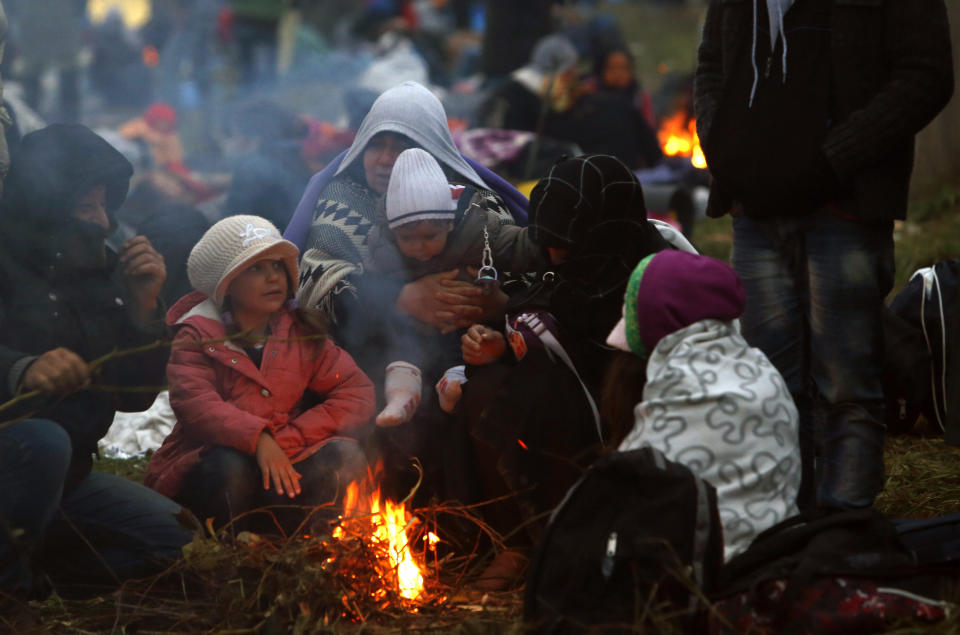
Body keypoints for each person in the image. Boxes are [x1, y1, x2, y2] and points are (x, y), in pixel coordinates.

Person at [694, 0, 954, 509]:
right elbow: (711, 65)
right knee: (768, 385)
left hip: (845, 207)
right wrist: (723, 149)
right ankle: (785, 530)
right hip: (755, 209)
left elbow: (927, 75)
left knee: (846, 386)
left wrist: (834, 159)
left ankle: (844, 536)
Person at [450, 155, 683, 590]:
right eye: (549, 242)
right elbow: (552, 320)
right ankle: (519, 542)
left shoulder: (665, 283)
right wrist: (501, 342)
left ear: (605, 232)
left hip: (640, 441)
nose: (554, 255)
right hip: (571, 425)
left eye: (565, 244)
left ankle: (592, 546)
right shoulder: (563, 269)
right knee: (488, 388)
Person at [0, 124, 190, 597]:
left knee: (177, 541)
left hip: (68, 480)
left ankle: (36, 562)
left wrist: (145, 308)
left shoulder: (100, 271)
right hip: (16, 455)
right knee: (44, 441)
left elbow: (134, 396)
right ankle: (10, 594)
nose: (104, 222)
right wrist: (20, 369)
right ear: (49, 208)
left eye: (105, 206)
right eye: (88, 206)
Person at [145, 215, 375, 535]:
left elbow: (356, 392)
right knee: (232, 468)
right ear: (225, 283)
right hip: (210, 466)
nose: (272, 278)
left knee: (344, 455)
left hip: (282, 459)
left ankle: (300, 553)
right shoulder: (197, 335)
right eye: (256, 268)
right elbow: (196, 404)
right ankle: (225, 557)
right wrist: (259, 439)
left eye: (277, 266)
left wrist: (287, 439)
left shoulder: (300, 332)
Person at [606, 250, 801, 560]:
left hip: (698, 577)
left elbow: (625, 499)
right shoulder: (759, 367)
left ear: (662, 316)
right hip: (777, 556)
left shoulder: (678, 392)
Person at [365, 148, 543, 425]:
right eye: (407, 238)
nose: (419, 246)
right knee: (396, 337)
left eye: (429, 236)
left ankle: (453, 383)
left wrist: (549, 242)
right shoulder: (382, 245)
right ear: (392, 231)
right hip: (416, 327)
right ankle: (401, 396)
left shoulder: (478, 231)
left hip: (466, 320)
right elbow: (372, 287)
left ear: (449, 224)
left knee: (469, 340)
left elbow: (518, 246)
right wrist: (396, 299)